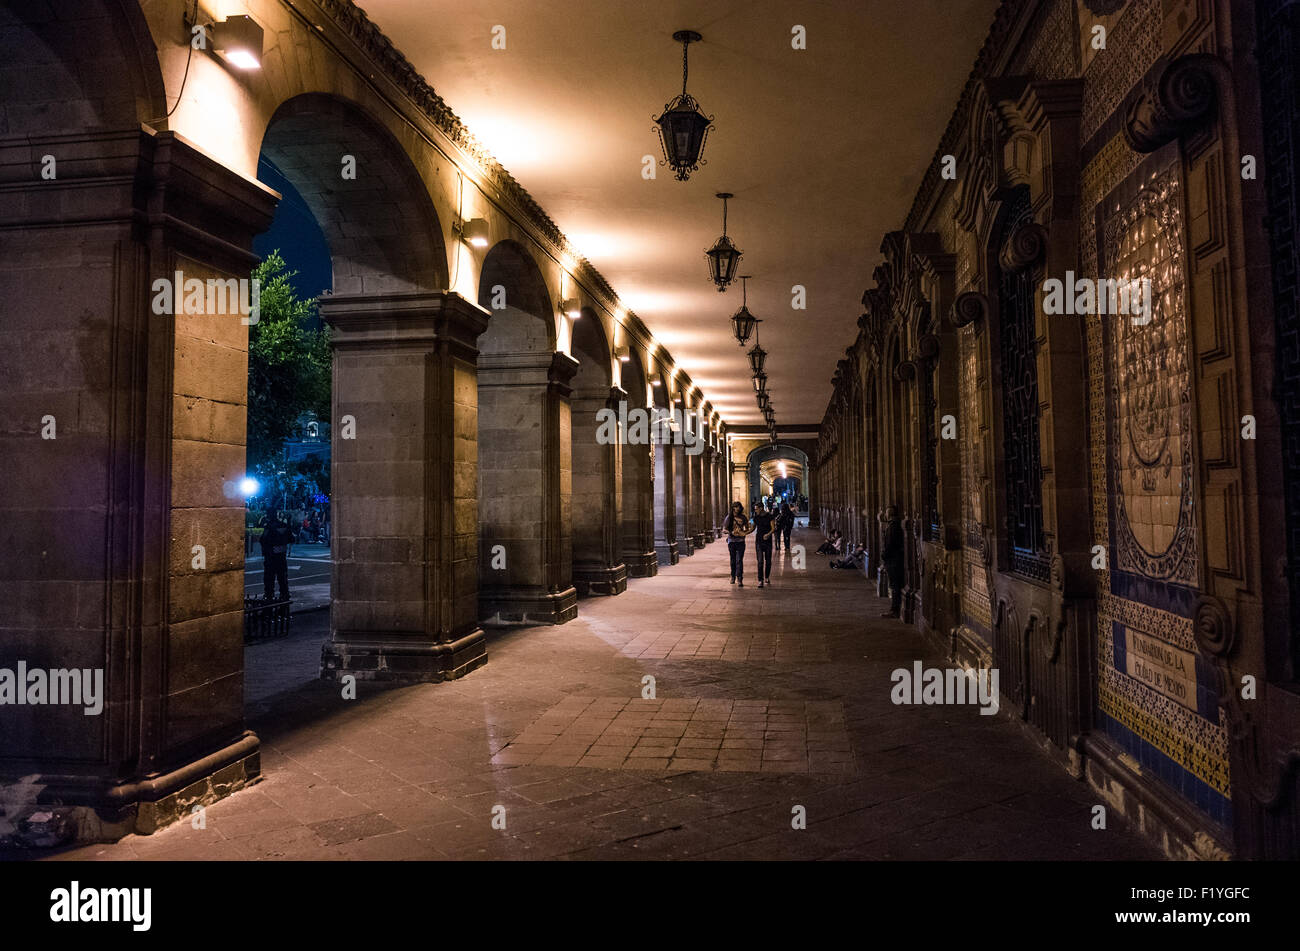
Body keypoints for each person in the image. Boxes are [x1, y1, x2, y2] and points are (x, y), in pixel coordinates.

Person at [260, 513, 293, 602]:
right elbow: (291, 539)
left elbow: (263, 539)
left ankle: (269, 595)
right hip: (282, 555)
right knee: (282, 577)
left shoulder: (269, 527)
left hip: (271, 556)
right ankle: (284, 594)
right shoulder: (284, 526)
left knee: (269, 578)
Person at [880, 505, 905, 618]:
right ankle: (895, 609)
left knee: (894, 585)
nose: (884, 515)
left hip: (893, 560)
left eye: (885, 513)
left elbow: (889, 544)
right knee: (895, 585)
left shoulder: (892, 527)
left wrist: (884, 555)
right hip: (895, 559)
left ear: (889, 514)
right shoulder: (894, 525)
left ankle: (894, 610)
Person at [724, 502, 753, 586]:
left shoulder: (743, 517)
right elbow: (724, 529)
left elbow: (747, 528)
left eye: (739, 507)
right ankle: (733, 576)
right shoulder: (729, 517)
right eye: (736, 507)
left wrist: (744, 533)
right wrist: (731, 532)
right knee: (733, 560)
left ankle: (740, 578)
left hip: (740, 541)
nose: (738, 508)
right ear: (733, 508)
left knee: (739, 560)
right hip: (732, 541)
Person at [752, 501, 776, 587]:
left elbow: (773, 528)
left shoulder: (769, 516)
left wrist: (768, 534)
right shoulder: (756, 517)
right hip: (759, 541)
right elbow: (753, 528)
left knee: (768, 560)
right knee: (760, 561)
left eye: (756, 509)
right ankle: (760, 580)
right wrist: (743, 533)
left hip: (768, 542)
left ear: (761, 508)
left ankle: (767, 577)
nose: (755, 511)